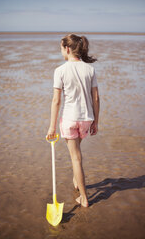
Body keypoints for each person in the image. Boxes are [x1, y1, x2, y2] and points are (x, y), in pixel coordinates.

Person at [47, 33, 100, 207]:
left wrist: (51, 127)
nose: (61, 52)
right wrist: (96, 121)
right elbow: (96, 98)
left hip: (70, 119)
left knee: (76, 158)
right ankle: (77, 180)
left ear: (67, 49)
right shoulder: (90, 69)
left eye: (61, 49)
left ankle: (84, 198)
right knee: (76, 153)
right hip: (86, 119)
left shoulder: (60, 70)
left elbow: (56, 101)